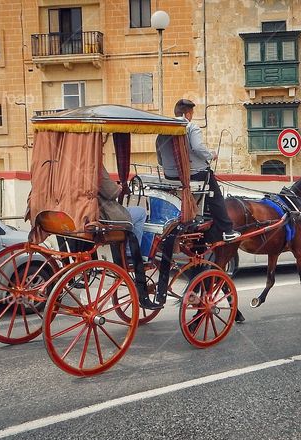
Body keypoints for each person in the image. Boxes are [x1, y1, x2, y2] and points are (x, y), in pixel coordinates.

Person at [156, 99, 240, 242]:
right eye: (192, 113)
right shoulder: (191, 127)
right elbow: (197, 147)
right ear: (188, 114)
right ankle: (227, 230)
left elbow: (160, 158)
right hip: (193, 174)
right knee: (216, 196)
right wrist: (211, 155)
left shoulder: (162, 130)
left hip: (169, 175)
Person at [98, 167, 161, 310]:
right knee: (140, 212)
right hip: (104, 214)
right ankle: (129, 253)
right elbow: (111, 192)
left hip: (92, 211)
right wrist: (119, 188)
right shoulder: (95, 165)